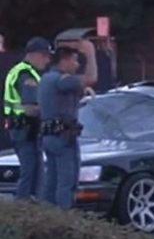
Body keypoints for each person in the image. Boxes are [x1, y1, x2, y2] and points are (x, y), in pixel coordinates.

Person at [38, 41, 98, 209]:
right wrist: (90, 54)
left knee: (51, 182)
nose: (78, 65)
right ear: (64, 61)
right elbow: (91, 78)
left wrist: (82, 91)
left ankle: (46, 221)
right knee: (67, 183)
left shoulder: (47, 79)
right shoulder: (61, 79)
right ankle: (64, 223)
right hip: (63, 138)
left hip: (50, 136)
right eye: (75, 60)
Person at [3, 37, 53, 200]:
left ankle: (28, 209)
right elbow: (31, 108)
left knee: (33, 171)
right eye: (45, 55)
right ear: (35, 54)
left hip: (24, 129)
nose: (47, 60)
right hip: (24, 130)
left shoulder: (25, 72)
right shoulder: (26, 75)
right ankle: (25, 209)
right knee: (30, 173)